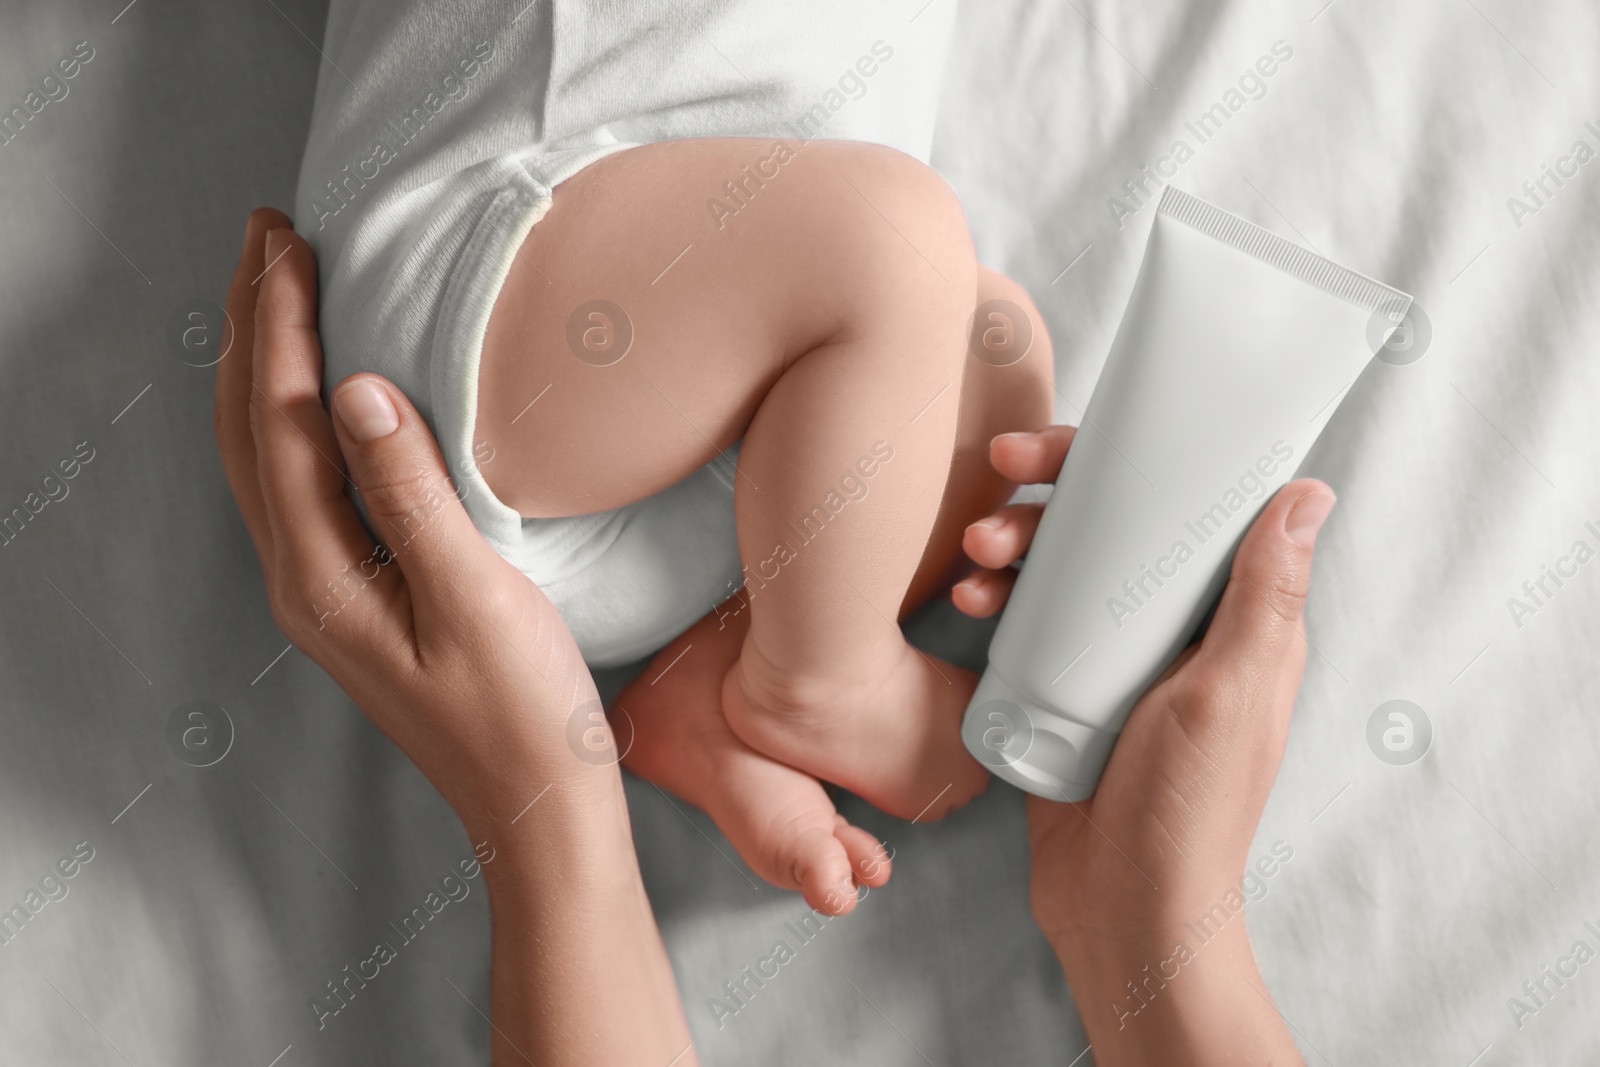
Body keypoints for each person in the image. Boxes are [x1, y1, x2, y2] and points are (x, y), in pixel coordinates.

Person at [219, 210, 1323, 1064]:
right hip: (659, 439)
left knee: (889, 242)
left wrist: (543, 805)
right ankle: (730, 673)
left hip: (495, 400)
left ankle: (808, 678)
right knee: (986, 348)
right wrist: (1143, 916)